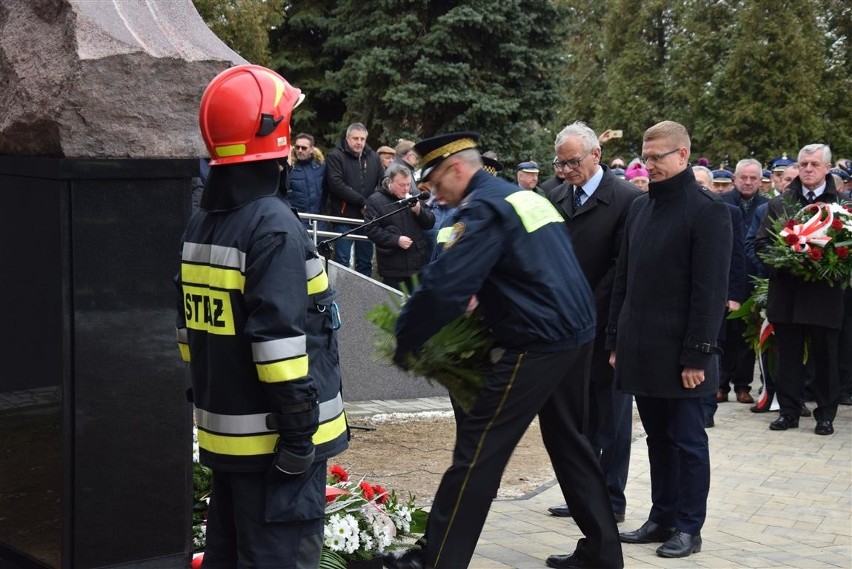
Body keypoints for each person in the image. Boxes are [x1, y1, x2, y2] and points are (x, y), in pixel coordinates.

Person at [386, 132, 623, 569]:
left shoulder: (485, 209)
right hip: (575, 333)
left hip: (537, 341)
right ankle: (603, 552)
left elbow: (447, 285)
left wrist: (407, 336)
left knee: (479, 450)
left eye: (436, 183)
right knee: (571, 442)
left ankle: (435, 560)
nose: (435, 194)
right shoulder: (522, 198)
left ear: (458, 169)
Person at [176, 65, 348, 568]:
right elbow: (279, 342)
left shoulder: (202, 222)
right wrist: (299, 434)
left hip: (227, 436)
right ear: (274, 133)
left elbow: (189, 330)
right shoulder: (273, 226)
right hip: (278, 448)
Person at [607, 121, 731, 559]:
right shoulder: (640, 209)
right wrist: (616, 340)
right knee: (657, 439)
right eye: (645, 156)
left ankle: (688, 526)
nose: (649, 164)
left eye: (658, 156)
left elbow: (710, 291)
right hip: (642, 347)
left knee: (688, 441)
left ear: (682, 156)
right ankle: (661, 516)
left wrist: (697, 354)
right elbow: (625, 278)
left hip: (683, 355)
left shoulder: (707, 210)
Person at [543, 121, 641, 526]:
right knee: (576, 416)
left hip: (605, 325)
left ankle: (612, 498)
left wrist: (584, 305)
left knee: (612, 418)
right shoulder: (552, 194)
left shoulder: (626, 199)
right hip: (562, 330)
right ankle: (582, 493)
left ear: (596, 155)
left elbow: (622, 266)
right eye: (560, 163)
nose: (564, 171)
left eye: (572, 163)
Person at [754, 143, 843, 436]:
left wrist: (827, 263)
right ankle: (789, 412)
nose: (807, 169)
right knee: (788, 357)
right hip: (788, 293)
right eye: (803, 164)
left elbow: (847, 250)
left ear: (827, 168)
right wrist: (788, 261)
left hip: (824, 295)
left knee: (826, 358)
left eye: (814, 165)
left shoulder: (840, 205)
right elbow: (762, 244)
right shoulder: (780, 203)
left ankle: (826, 415)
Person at [717, 158, 769, 405]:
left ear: (761, 181)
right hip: (726, 279)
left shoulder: (767, 206)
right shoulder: (721, 203)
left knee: (747, 340)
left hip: (754, 282)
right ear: (734, 179)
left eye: (753, 178)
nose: (748, 182)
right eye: (743, 178)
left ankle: (743, 386)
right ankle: (720, 384)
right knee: (723, 336)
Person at [364, 163, 435, 291]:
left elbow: (430, 223)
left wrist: (419, 211)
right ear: (390, 182)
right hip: (392, 267)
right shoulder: (375, 200)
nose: (406, 189)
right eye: (402, 185)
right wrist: (396, 240)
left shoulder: (415, 195)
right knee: (394, 308)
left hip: (416, 265)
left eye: (408, 184)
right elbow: (371, 230)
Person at [325, 122, 384, 277]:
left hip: (367, 218)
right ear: (347, 138)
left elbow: (382, 181)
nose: (359, 142)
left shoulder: (373, 157)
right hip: (344, 217)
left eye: (362, 139)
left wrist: (372, 204)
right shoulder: (335, 156)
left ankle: (363, 299)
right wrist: (363, 202)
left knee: (365, 261)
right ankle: (340, 297)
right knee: (341, 261)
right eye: (355, 138)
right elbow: (336, 185)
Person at [286, 133, 327, 224]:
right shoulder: (289, 166)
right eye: (297, 147)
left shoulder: (321, 165)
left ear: (312, 149)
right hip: (296, 220)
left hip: (318, 220)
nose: (300, 150)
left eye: (304, 148)